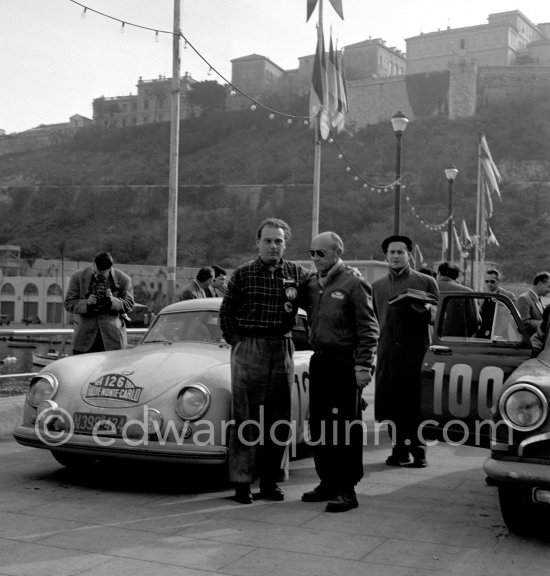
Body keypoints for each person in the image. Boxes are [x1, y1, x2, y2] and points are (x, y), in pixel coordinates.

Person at [219, 218, 309, 504]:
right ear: (257, 243)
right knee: (245, 418)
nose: (273, 246)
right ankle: (242, 483)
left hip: (281, 347)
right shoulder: (243, 274)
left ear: (286, 244)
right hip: (250, 348)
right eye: (268, 240)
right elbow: (226, 314)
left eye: (279, 241)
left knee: (278, 419)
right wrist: (240, 343)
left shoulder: (297, 273)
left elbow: (322, 290)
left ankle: (269, 481)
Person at [300, 232, 379, 512]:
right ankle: (328, 482)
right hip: (320, 360)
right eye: (311, 253)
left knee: (345, 426)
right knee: (320, 425)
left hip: (345, 362)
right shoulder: (310, 284)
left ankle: (347, 489)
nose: (315, 258)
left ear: (336, 252)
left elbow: (369, 329)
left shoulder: (355, 283)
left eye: (321, 253)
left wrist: (363, 366)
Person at [372, 235, 439, 468]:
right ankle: (398, 449)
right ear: (385, 256)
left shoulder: (426, 281)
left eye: (401, 252)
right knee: (390, 403)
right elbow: (372, 322)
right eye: (392, 252)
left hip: (417, 354)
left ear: (409, 254)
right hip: (388, 354)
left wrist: (426, 310)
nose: (396, 256)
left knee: (414, 404)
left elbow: (438, 318)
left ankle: (418, 451)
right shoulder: (377, 287)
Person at [64, 251, 134, 354]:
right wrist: (87, 303)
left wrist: (112, 301)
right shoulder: (77, 277)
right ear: (93, 263)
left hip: (112, 341)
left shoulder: (123, 279)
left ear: (110, 268)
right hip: (83, 341)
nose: (98, 277)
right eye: (95, 273)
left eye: (102, 275)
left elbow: (129, 304)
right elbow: (69, 303)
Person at [436, 261, 480, 337]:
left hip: (429, 341)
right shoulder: (467, 292)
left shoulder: (428, 288)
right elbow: (475, 320)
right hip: (456, 341)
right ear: (456, 277)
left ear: (439, 273)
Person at [477, 268, 516, 338]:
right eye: (487, 281)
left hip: (500, 334)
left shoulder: (508, 296)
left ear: (498, 281)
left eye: (492, 282)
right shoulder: (482, 297)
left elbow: (512, 317)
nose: (489, 284)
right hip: (482, 333)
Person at [515, 271, 550, 336]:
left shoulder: (539, 300)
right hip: (529, 342)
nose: (549, 290)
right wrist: (543, 324)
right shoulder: (524, 298)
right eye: (549, 287)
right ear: (540, 284)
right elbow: (523, 323)